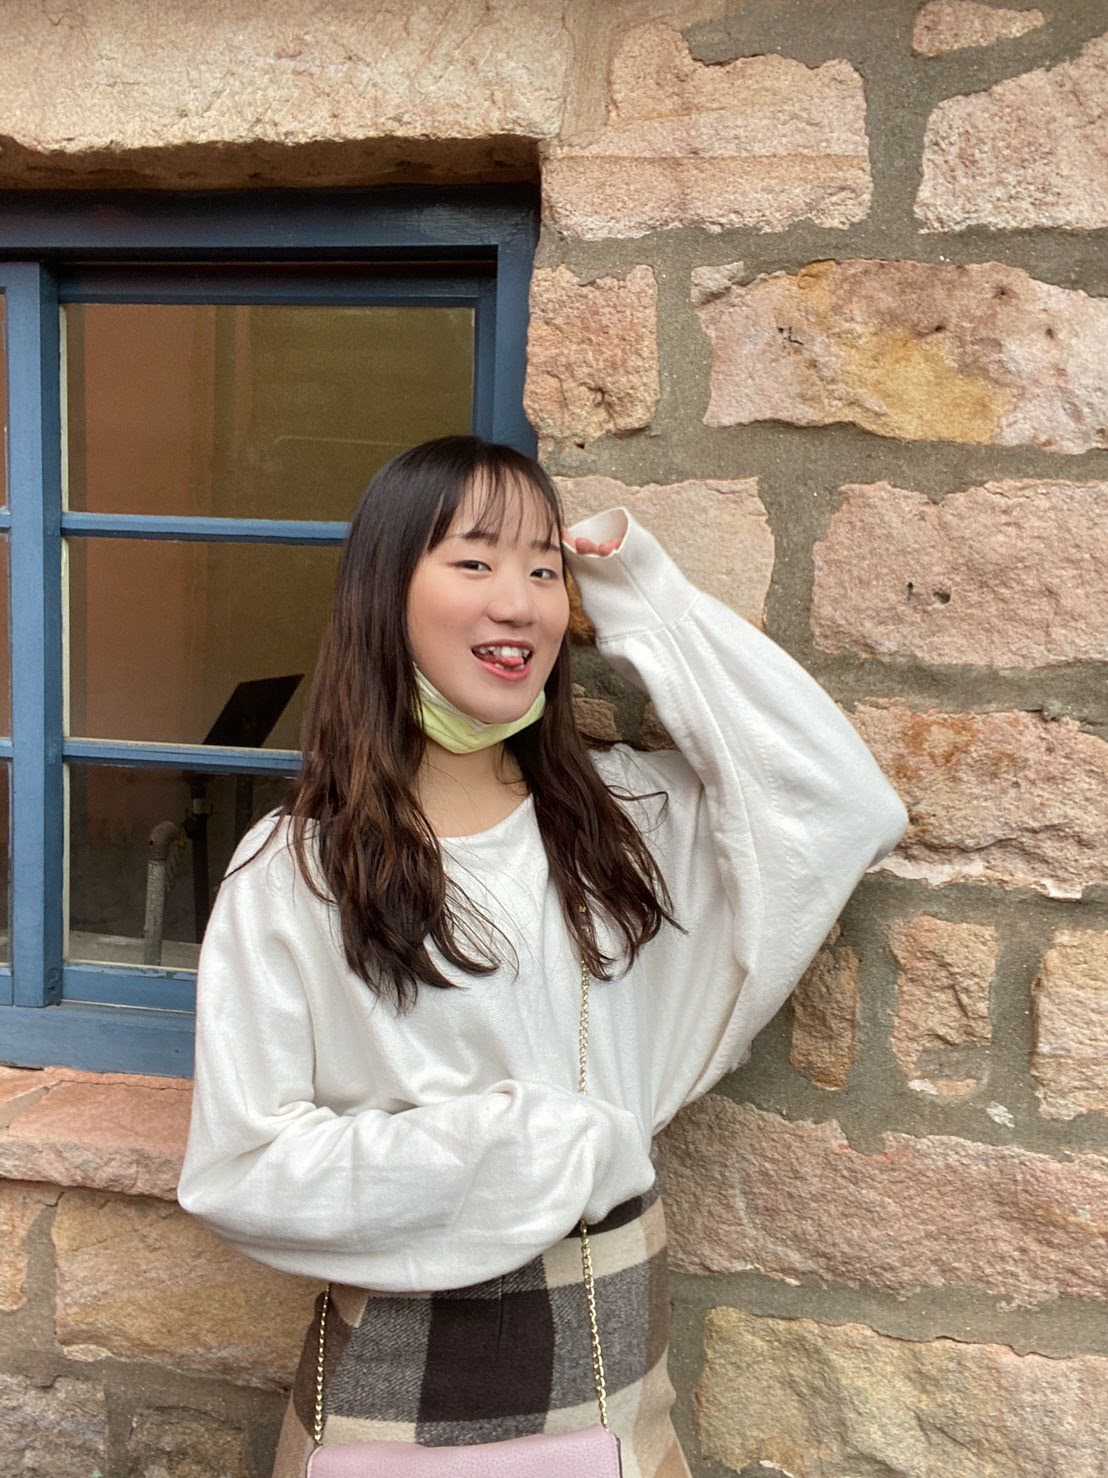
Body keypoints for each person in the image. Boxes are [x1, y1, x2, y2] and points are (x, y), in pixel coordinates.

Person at [176, 435, 909, 1478]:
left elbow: (840, 804)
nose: (518, 603)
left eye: (542, 568)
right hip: (399, 1389)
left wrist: (641, 596)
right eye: (473, 561)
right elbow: (239, 1167)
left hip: (613, 1355)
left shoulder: (622, 819)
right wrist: (538, 1149)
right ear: (384, 592)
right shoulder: (298, 868)